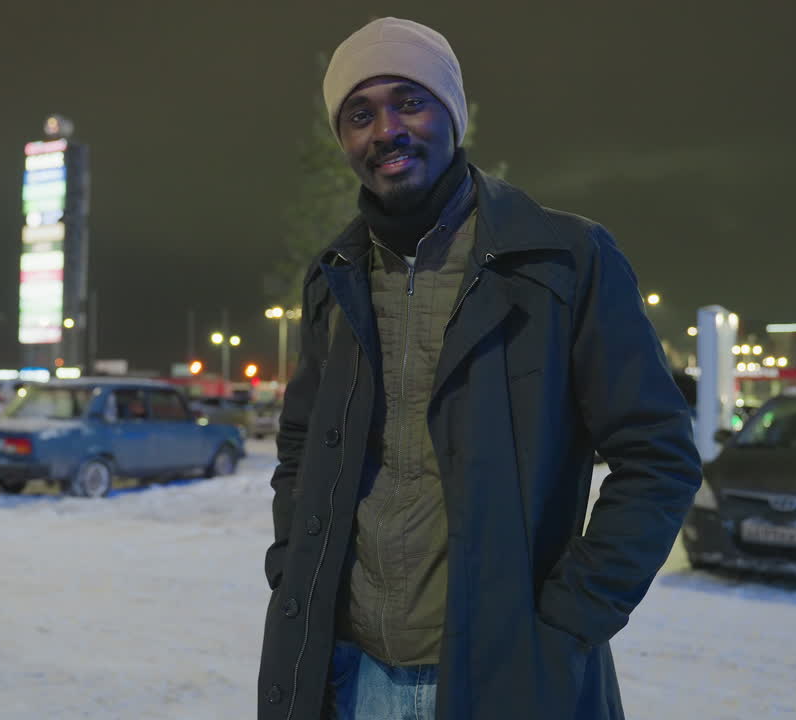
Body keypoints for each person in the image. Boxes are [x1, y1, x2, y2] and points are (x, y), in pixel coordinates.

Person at [258, 17, 701, 720]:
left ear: (452, 114)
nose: (385, 130)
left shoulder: (565, 260)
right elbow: (300, 445)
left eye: (410, 101)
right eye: (359, 114)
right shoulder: (334, 278)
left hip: (502, 676)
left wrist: (565, 625)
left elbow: (659, 458)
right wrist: (293, 569)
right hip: (351, 674)